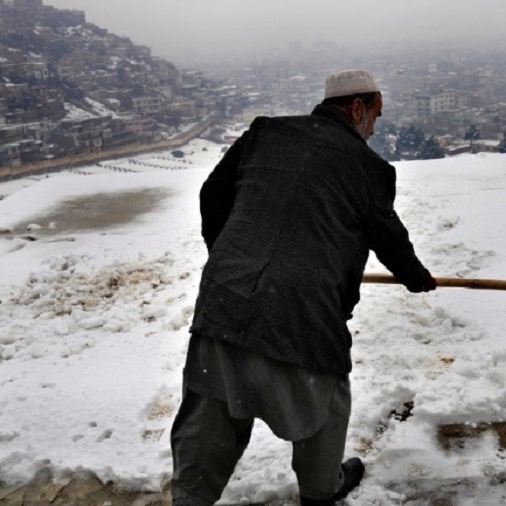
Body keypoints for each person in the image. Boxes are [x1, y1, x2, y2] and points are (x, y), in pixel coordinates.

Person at [171, 69, 436, 506]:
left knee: (211, 402)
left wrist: (231, 259)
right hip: (304, 309)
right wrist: (416, 277)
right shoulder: (368, 168)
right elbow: (387, 235)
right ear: (356, 108)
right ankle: (321, 488)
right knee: (324, 400)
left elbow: (212, 194)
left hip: (225, 296)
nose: (375, 127)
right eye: (376, 116)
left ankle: (190, 497)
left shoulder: (265, 132)